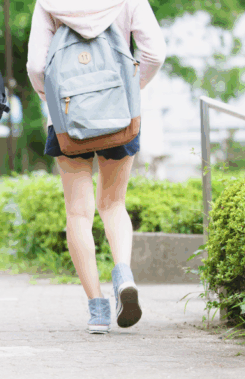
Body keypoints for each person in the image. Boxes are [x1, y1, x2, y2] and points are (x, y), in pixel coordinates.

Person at [27, 0, 166, 333]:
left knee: (78, 212)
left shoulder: (49, 3)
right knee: (113, 204)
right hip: (119, 110)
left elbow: (35, 66)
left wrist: (55, 99)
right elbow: (155, 53)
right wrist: (132, 87)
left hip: (67, 118)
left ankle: (97, 311)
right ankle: (123, 275)